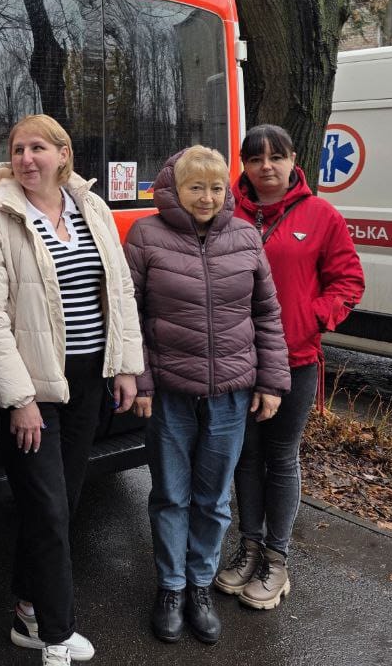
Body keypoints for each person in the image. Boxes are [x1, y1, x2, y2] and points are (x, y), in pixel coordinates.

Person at [0, 115, 144, 666]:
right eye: (18, 149)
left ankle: (27, 609)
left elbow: (119, 291)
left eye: (38, 148)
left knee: (61, 504)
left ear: (63, 154)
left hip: (89, 381)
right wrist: (19, 400)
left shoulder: (92, 208)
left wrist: (125, 366)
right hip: (34, 388)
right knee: (46, 508)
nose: (26, 159)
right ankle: (57, 632)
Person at [124, 145, 289, 646]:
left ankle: (200, 585)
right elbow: (129, 315)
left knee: (214, 500)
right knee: (171, 495)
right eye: (196, 187)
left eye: (216, 188)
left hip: (231, 394)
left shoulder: (245, 236)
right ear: (174, 189)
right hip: (170, 392)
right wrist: (141, 381)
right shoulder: (146, 235)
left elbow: (266, 312)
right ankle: (171, 587)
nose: (207, 197)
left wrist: (271, 382)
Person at [214, 125, 364, 610]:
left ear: (293, 160)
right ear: (244, 165)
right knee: (245, 457)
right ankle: (249, 547)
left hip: (294, 360)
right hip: (237, 360)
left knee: (280, 457)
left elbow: (349, 281)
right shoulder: (226, 212)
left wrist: (311, 318)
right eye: (256, 159)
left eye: (276, 157)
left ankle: (276, 561)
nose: (267, 167)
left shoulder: (321, 215)